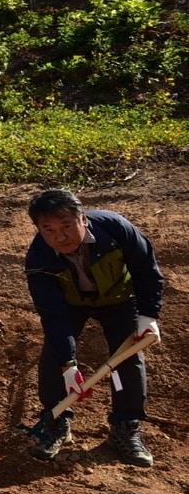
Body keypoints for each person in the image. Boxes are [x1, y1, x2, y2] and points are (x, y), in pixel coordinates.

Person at [25, 189, 162, 466]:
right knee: (54, 356)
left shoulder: (116, 229)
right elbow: (53, 314)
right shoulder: (39, 258)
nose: (59, 236)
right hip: (70, 304)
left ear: (82, 219)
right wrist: (68, 364)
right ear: (38, 229)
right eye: (48, 229)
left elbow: (146, 268)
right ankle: (57, 423)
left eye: (65, 226)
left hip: (119, 299)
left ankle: (125, 427)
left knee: (126, 360)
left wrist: (148, 315)